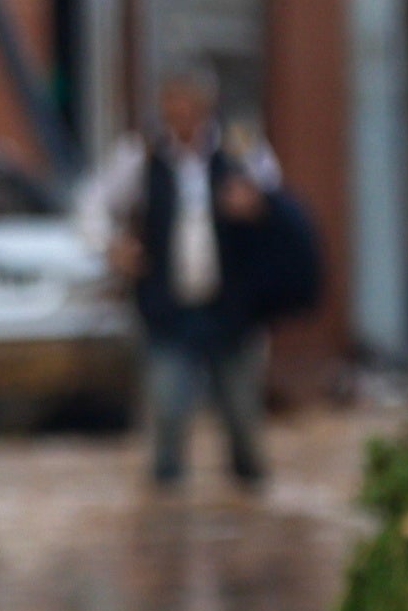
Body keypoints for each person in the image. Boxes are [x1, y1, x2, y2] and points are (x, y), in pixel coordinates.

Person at [78, 65, 301, 491]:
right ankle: (167, 494)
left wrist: (256, 206)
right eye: (172, 104)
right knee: (167, 408)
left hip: (232, 308)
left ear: (206, 106)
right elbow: (92, 205)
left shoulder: (243, 150)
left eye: (189, 104)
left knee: (240, 412)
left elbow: (280, 207)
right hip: (166, 307)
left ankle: (249, 485)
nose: (180, 114)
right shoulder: (139, 155)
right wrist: (112, 248)